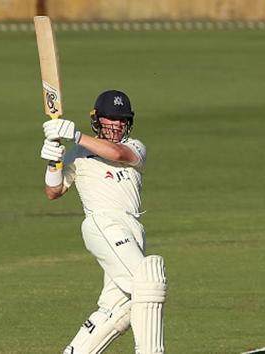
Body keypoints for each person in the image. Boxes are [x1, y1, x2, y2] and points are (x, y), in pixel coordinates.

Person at [40, 90, 167, 354]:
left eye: (122, 119)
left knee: (118, 307)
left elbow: (117, 154)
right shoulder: (77, 154)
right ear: (98, 119)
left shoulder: (135, 148)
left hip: (132, 229)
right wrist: (53, 161)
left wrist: (75, 134)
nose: (117, 124)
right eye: (110, 118)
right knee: (148, 282)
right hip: (103, 223)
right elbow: (53, 191)